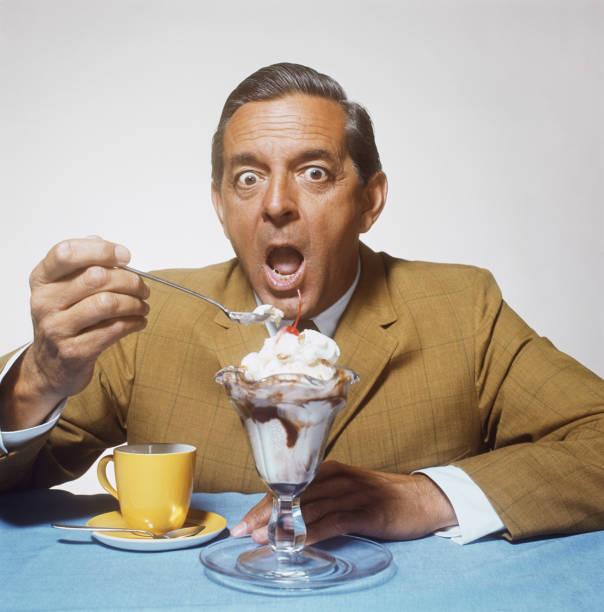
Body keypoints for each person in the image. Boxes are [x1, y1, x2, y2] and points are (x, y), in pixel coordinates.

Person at [1, 63, 602, 547]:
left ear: (370, 200)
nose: (277, 204)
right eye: (247, 178)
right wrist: (37, 381)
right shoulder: (151, 318)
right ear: (219, 204)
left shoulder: (464, 307)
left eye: (314, 173)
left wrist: (424, 496)